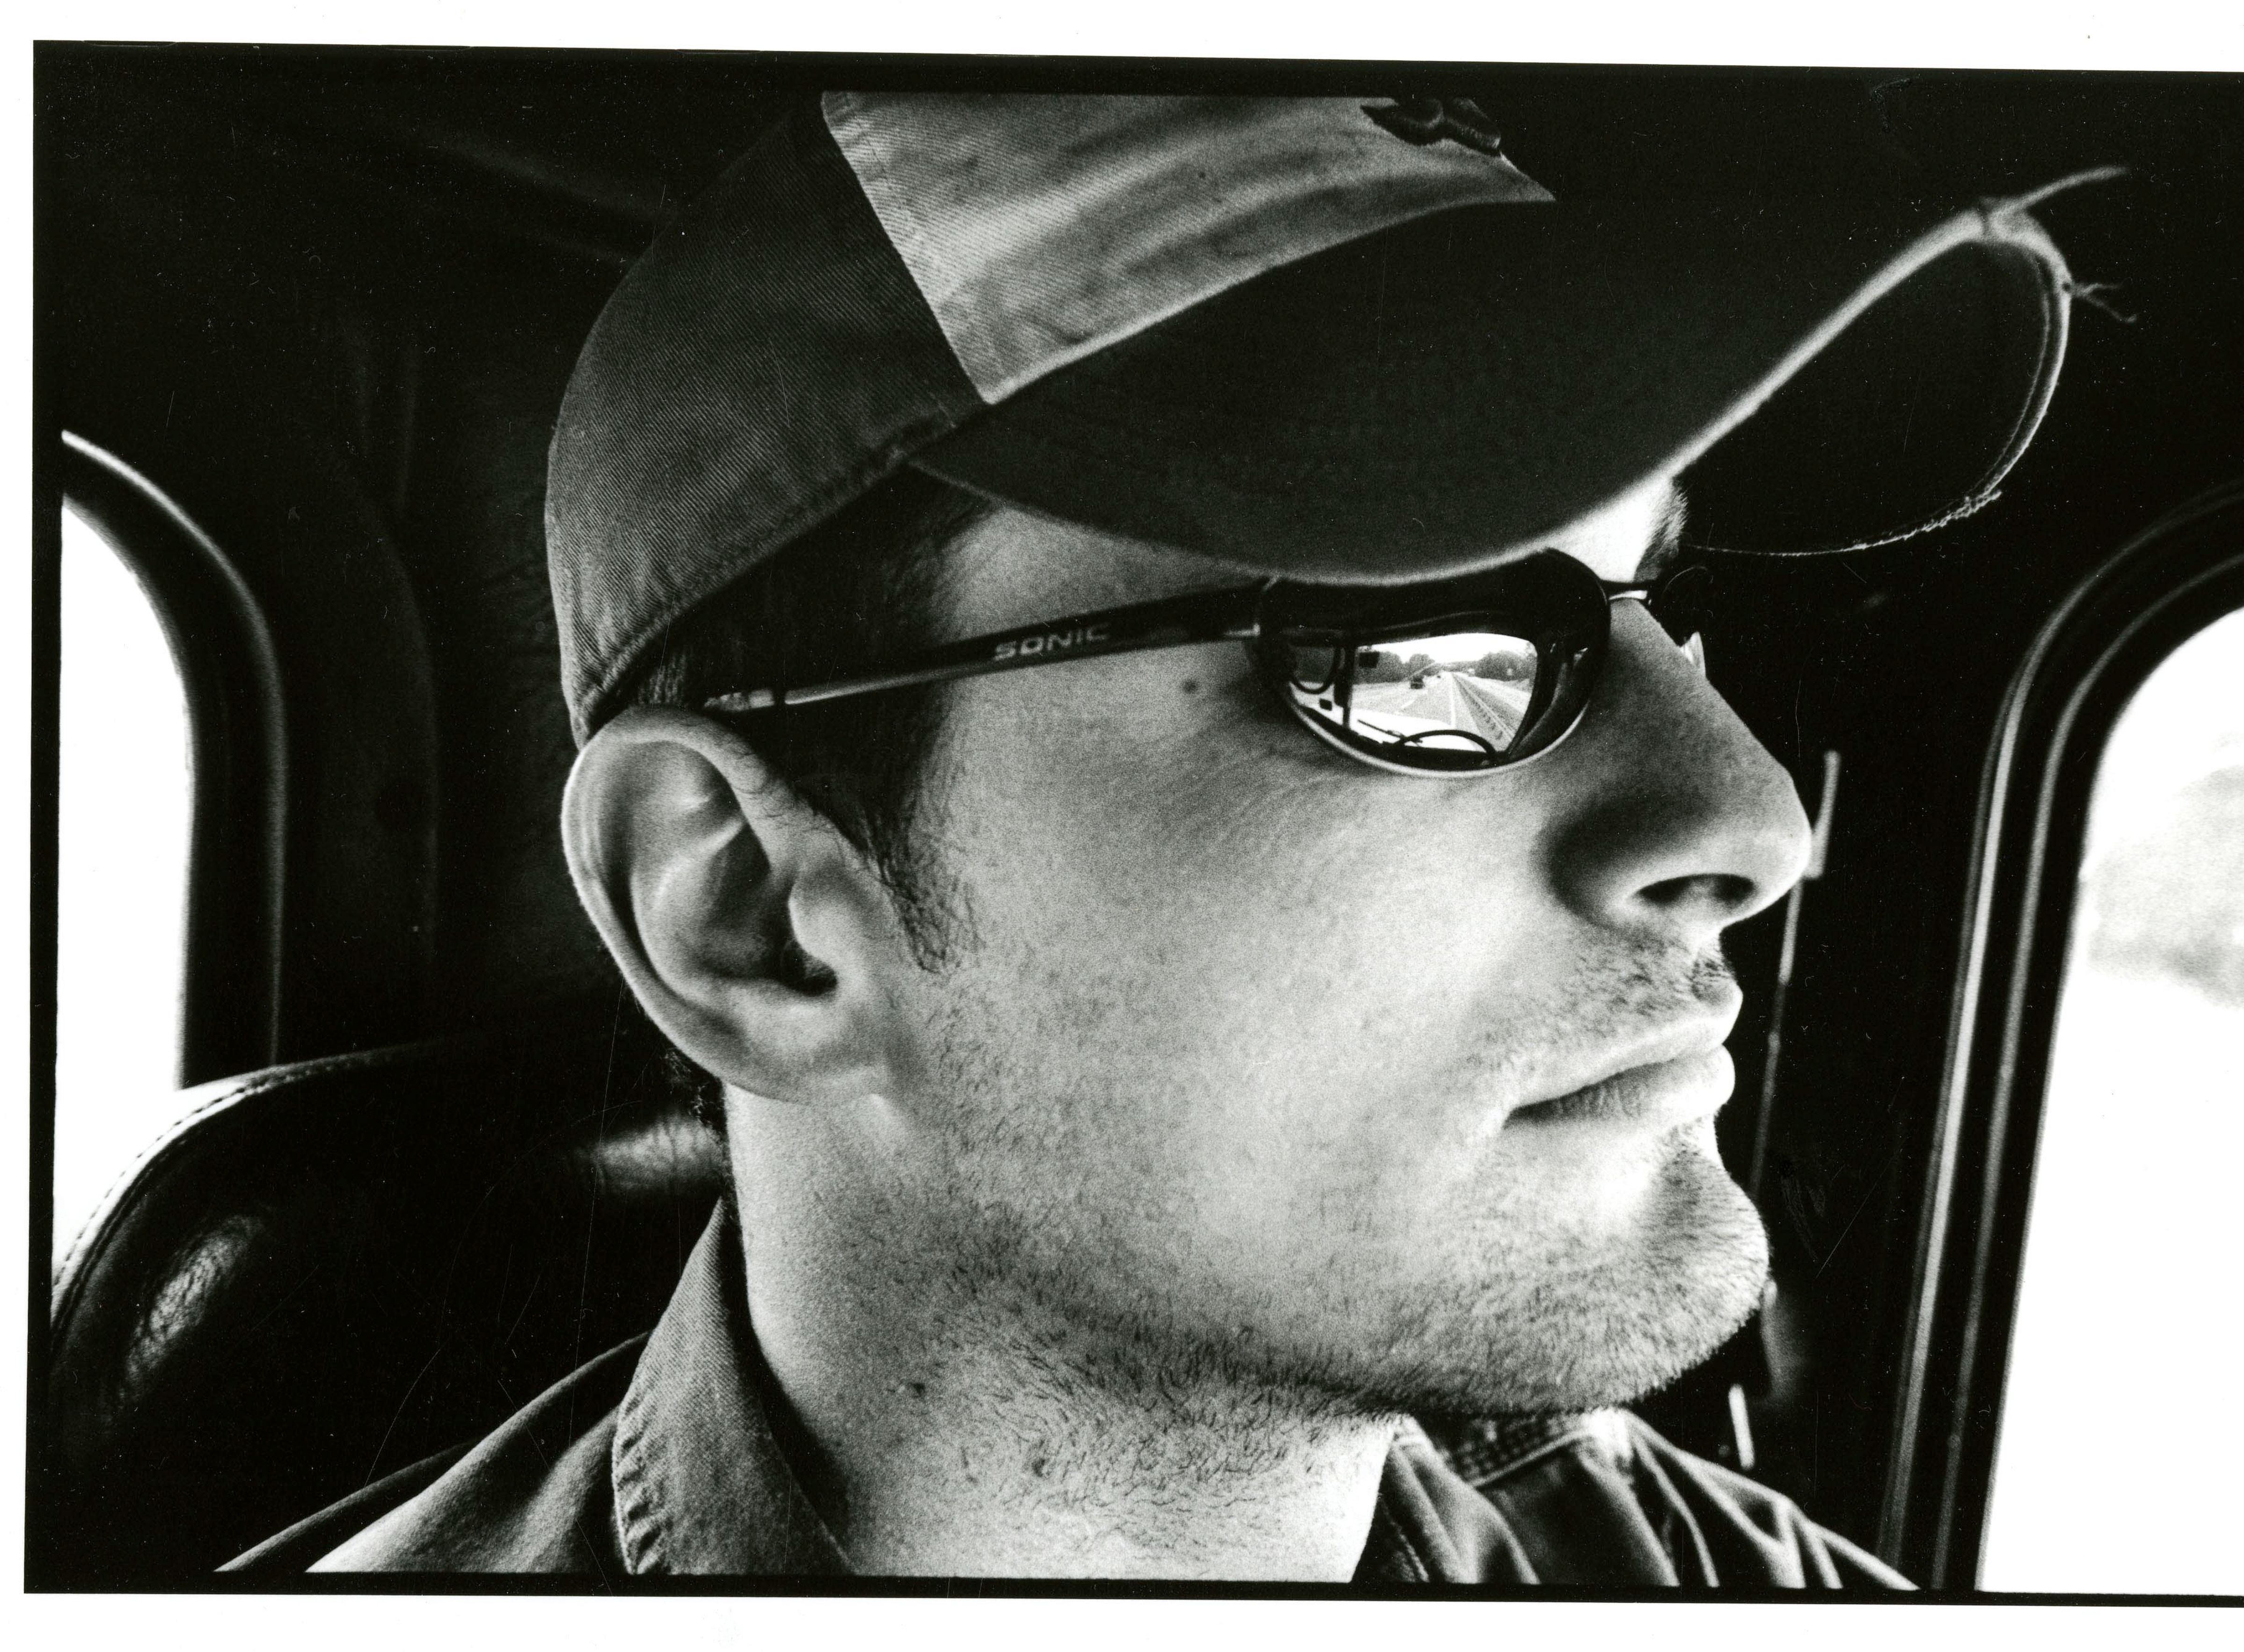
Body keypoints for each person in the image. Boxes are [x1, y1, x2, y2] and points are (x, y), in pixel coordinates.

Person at [232, 91, 2095, 1583]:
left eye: (1657, 612)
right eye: (1416, 648)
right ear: (754, 917)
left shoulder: (1704, 1578)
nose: (1755, 821)